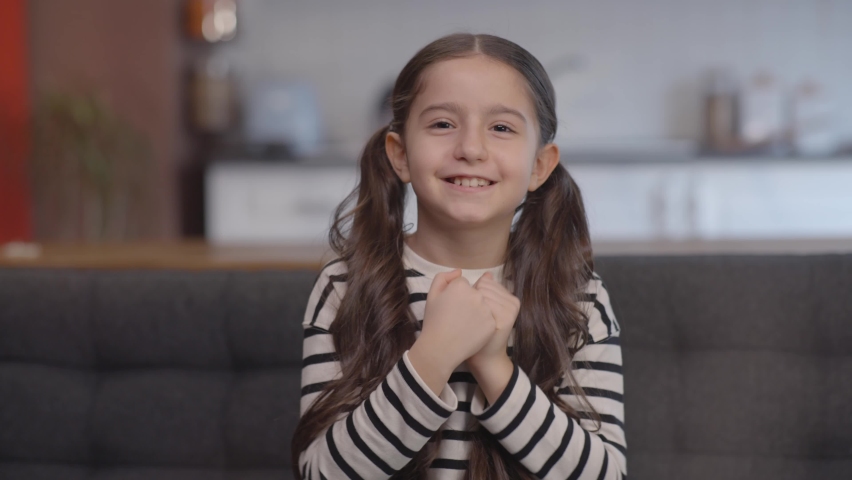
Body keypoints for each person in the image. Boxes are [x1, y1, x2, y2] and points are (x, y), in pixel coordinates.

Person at [291, 33, 626, 480]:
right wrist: (434, 354)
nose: (471, 148)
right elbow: (320, 473)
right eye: (443, 124)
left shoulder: (578, 296)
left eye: (501, 128)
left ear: (540, 166)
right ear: (400, 154)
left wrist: (493, 366)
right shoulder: (345, 286)